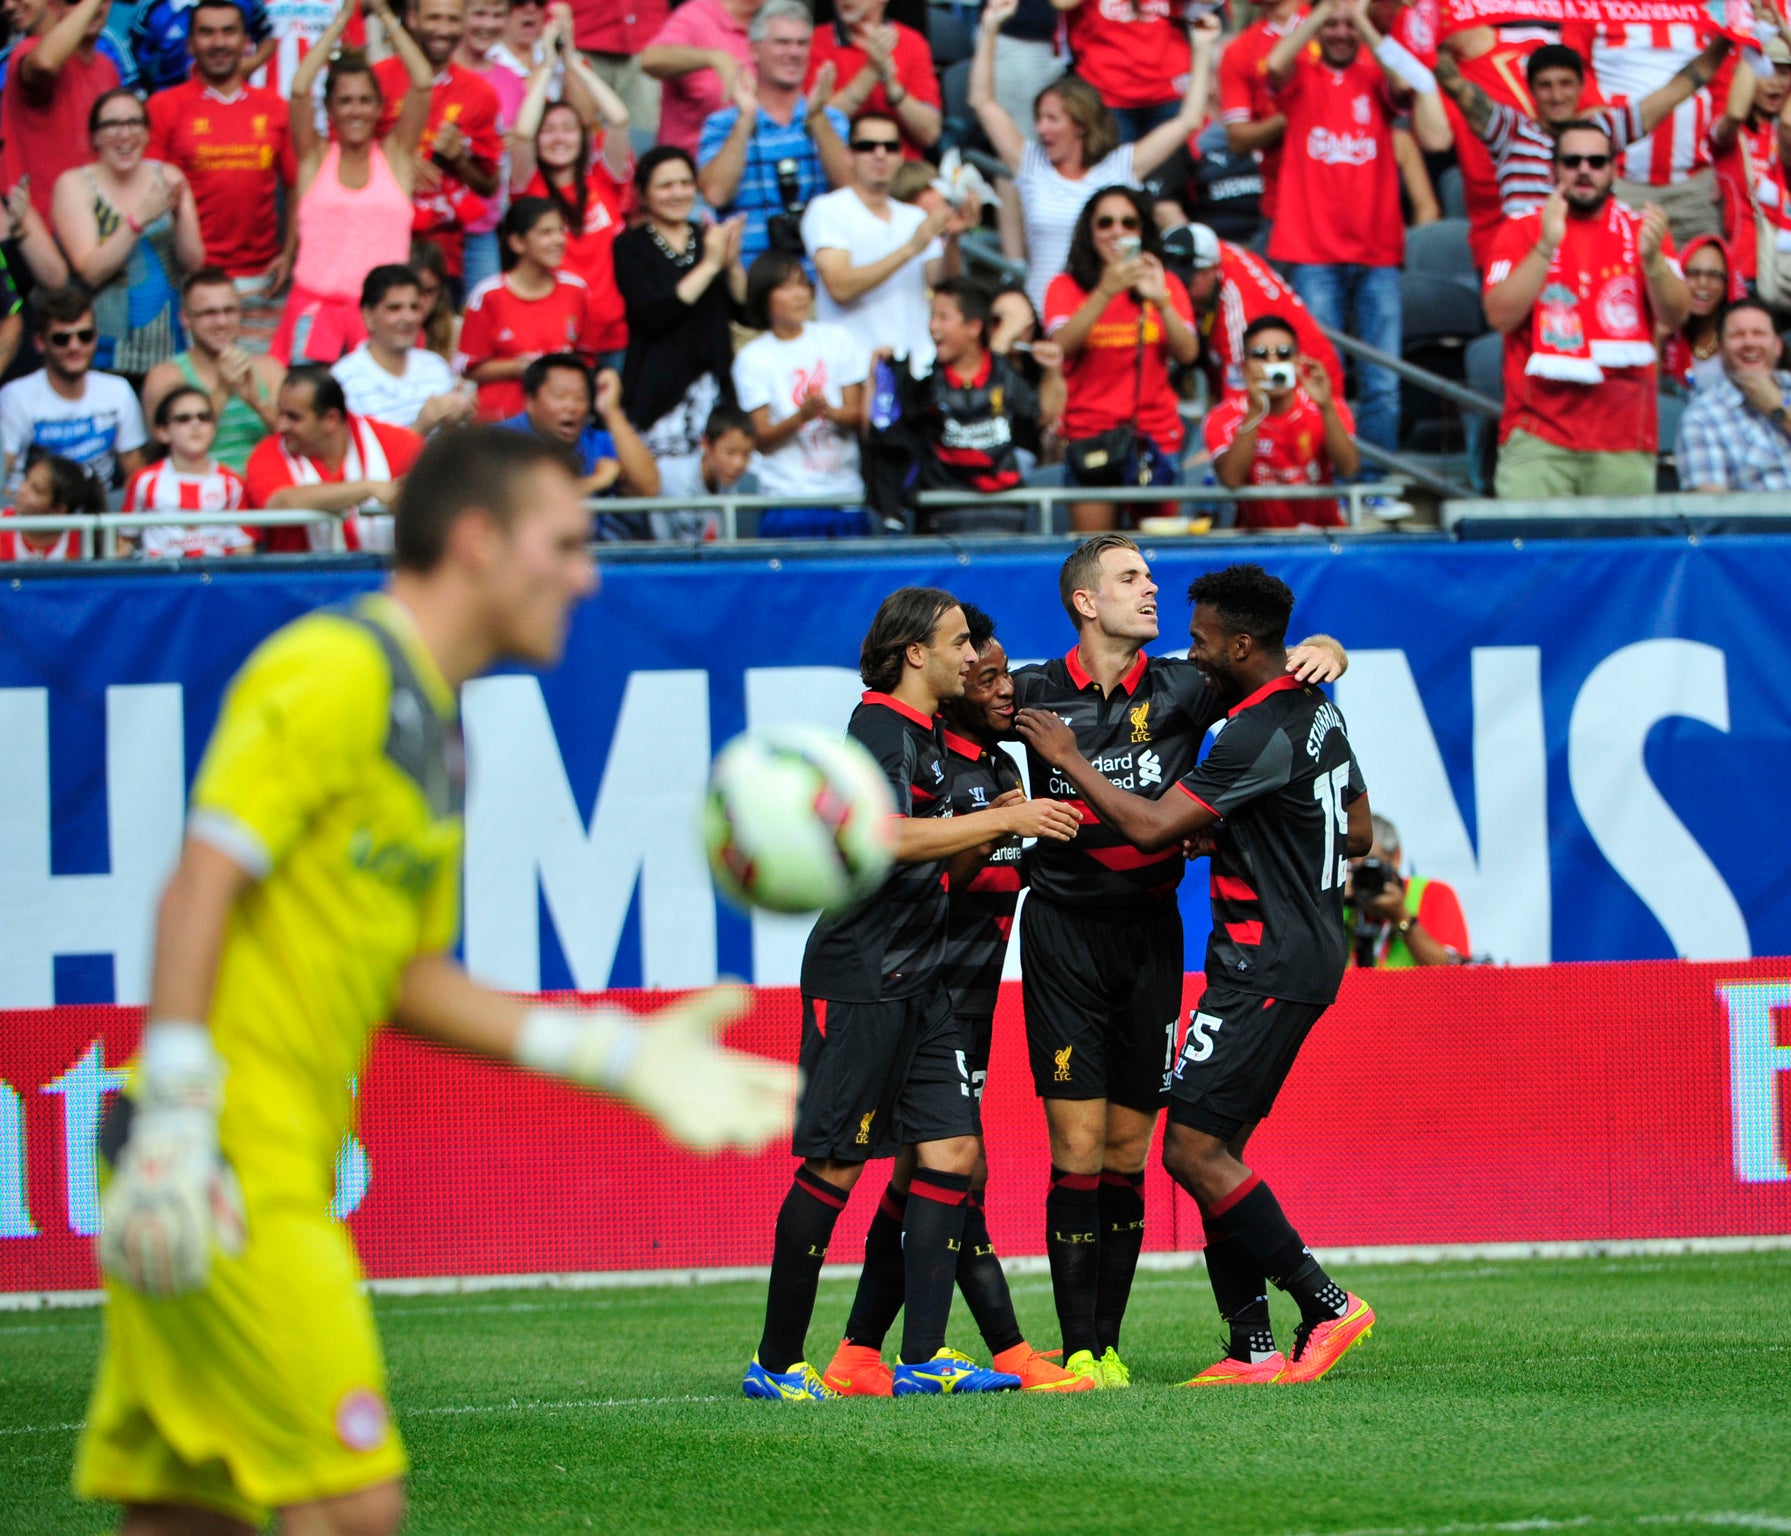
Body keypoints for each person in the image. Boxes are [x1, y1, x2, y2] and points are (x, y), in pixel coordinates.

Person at [74, 424, 795, 1534]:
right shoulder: (335, 670)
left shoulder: (435, 723)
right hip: (220, 1162)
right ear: (475, 541)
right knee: (355, 1505)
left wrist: (612, 1052)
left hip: (252, 1158)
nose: (587, 575)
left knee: (188, 1515)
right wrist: (174, 1106)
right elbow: (200, 879)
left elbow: (407, 976)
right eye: (563, 542)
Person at [1014, 562, 1375, 1390]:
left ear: (1240, 645)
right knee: (1217, 1147)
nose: (1191, 644)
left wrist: (1067, 757)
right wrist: (1242, 835)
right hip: (1281, 953)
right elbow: (1352, 831)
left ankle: (1324, 1303)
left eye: (1205, 636)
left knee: (1188, 1148)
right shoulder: (1308, 712)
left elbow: (1147, 829)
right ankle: (1249, 1347)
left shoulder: (1244, 726)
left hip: (1265, 960)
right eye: (1129, 578)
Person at [746, 586, 1083, 1402]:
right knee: (834, 1165)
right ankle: (776, 1361)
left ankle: (922, 1356)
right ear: (915, 654)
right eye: (961, 643)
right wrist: (1010, 821)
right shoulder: (875, 727)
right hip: (863, 973)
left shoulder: (928, 738)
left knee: (952, 1155)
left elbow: (941, 858)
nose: (976, 660)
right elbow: (883, 838)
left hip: (921, 974)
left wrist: (997, 820)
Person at [1264, 0, 1452, 465]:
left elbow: (1405, 81)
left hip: (1376, 254)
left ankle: (1373, 485)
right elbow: (1275, 64)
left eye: (1350, 26)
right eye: (1334, 26)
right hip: (1312, 253)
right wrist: (1322, 11)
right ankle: (1324, 477)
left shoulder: (1376, 77)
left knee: (1382, 383)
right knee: (1316, 374)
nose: (1342, 33)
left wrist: (1362, 20)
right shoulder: (1302, 79)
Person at [971, 0, 1218, 316]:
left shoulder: (1119, 168)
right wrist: (990, 30)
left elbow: (1188, 120)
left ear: (1081, 124)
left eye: (1052, 119)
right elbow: (983, 102)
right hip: (1045, 317)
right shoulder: (1031, 164)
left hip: (1110, 320)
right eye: (1039, 118)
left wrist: (1200, 47)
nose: (1041, 128)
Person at [1483, 122, 1688, 499]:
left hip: (1624, 440)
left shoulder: (1642, 230)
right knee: (1533, 558)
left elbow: (1675, 316)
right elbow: (1500, 316)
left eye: (1596, 162)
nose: (1584, 170)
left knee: (1621, 560)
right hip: (1537, 439)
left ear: (1613, 169)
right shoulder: (1522, 228)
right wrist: (1546, 246)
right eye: (1572, 161)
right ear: (1554, 169)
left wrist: (1653, 260)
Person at [272, 0, 433, 367]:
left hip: (386, 319)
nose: (355, 110)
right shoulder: (315, 157)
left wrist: (385, 14)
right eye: (344, 101)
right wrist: (343, 18)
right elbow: (299, 90)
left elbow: (422, 82)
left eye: (365, 101)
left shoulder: (396, 157)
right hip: (316, 314)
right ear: (329, 109)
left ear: (380, 108)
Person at [1434, 37, 1731, 232]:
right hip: (1524, 267)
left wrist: (1729, 37)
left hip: (1588, 268)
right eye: (1545, 85)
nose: (1556, 95)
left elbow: (1680, 87)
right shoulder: (1509, 131)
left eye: (1565, 83)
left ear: (1580, 87)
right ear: (1531, 89)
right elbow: (1454, 84)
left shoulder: (1602, 132)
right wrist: (1426, 21)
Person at [1044, 185, 1199, 532]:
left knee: (1154, 564)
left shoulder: (1166, 281)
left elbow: (1188, 352)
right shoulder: (1065, 286)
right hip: (1091, 436)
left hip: (1155, 438)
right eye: (1105, 223)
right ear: (1090, 231)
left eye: (1129, 223)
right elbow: (1061, 346)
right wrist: (1106, 290)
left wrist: (1160, 300)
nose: (1117, 231)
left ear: (1142, 230)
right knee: (1095, 564)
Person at [145, 0, 296, 318]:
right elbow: (152, 195)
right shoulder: (163, 106)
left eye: (228, 32)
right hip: (192, 279)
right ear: (190, 43)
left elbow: (296, 186)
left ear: (246, 42)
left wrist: (290, 253)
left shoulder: (275, 106)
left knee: (259, 369)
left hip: (262, 279)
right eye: (207, 33)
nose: (218, 42)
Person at [887, 277, 1065, 534]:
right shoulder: (925, 382)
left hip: (1006, 515)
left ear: (973, 327)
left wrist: (1053, 372)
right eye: (932, 316)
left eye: (943, 317)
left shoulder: (1003, 374)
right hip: (942, 518)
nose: (932, 326)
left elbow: (1043, 416)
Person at [52, 87, 208, 378]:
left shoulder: (169, 176)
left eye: (134, 123)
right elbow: (91, 271)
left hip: (166, 350)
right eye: (112, 125)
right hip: (101, 352)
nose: (124, 134)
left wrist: (181, 213)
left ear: (148, 133)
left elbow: (193, 263)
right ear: (95, 137)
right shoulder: (75, 184)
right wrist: (141, 218)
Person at [509, 11, 632, 368]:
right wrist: (547, 65)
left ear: (583, 137)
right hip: (555, 333)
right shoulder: (527, 186)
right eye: (549, 130)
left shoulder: (602, 178)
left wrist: (572, 60)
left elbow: (619, 117)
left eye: (568, 129)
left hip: (611, 331)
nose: (559, 138)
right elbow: (521, 133)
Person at [800, 110, 966, 370]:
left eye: (890, 147)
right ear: (848, 155)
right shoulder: (828, 209)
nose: (880, 154)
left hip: (917, 366)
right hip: (854, 371)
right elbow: (839, 287)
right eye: (867, 146)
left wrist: (954, 239)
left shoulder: (913, 217)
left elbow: (942, 281)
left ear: (901, 157)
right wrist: (911, 248)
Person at [695, 0, 852, 268]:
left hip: (821, 279)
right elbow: (716, 194)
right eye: (782, 42)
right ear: (754, 50)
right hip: (749, 283)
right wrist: (745, 120)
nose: (794, 52)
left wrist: (817, 118)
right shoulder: (722, 124)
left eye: (802, 43)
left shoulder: (830, 120)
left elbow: (850, 188)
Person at [613, 147, 747, 459]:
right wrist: (711, 265)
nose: (678, 193)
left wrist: (733, 262)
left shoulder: (708, 238)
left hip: (714, 390)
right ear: (644, 194)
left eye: (686, 183)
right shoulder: (630, 246)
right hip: (659, 394)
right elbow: (653, 315)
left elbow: (745, 311)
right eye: (665, 185)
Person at [731, 250, 871, 538]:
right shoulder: (753, 358)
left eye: (802, 284)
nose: (799, 295)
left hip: (845, 494)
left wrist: (827, 411)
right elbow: (761, 439)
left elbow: (860, 417)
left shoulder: (836, 340)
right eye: (785, 286)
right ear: (764, 295)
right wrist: (801, 417)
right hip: (786, 498)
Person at [373, 0, 503, 290]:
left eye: (452, 20)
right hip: (377, 246)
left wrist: (460, 159)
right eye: (434, 18)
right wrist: (394, 160)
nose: (443, 30)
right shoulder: (376, 80)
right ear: (412, 17)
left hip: (445, 257)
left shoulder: (481, 94)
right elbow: (338, 160)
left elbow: (489, 185)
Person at [243, 364, 424, 551]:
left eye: (293, 417)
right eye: (280, 413)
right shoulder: (266, 453)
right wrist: (370, 488)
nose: (280, 426)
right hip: (301, 578)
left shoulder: (401, 444)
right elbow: (283, 503)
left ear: (331, 419)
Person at [1205, 313, 1359, 530]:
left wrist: (1326, 407)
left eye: (1283, 353)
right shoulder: (1223, 416)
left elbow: (1349, 468)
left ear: (1298, 361)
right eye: (1260, 355)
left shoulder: (1327, 407)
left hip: (1322, 539)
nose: (1273, 362)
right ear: (1244, 366)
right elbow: (1231, 479)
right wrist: (1256, 411)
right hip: (1259, 543)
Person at [459, 196, 606, 419]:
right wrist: (520, 367)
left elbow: (585, 359)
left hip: (560, 423)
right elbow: (468, 368)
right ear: (517, 242)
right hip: (501, 424)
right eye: (546, 232)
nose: (559, 240)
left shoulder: (576, 290)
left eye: (560, 230)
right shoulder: (488, 295)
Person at [0, 285, 149, 494]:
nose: (74, 346)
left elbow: (136, 476)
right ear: (40, 342)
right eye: (62, 338)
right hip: (32, 514)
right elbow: (2, 480)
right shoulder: (15, 396)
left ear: (96, 338)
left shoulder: (118, 391)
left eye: (84, 336)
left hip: (97, 514)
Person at [141, 269, 286, 475]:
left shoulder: (270, 370)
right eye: (209, 313)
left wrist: (256, 402)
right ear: (185, 318)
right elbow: (165, 453)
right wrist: (223, 390)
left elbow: (299, 443)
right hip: (199, 495)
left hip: (264, 493)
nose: (221, 322)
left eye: (229, 311)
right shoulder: (166, 376)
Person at [498, 352, 661, 523]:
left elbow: (649, 488)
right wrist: (596, 481)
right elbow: (523, 505)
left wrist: (611, 412)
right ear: (530, 401)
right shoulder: (500, 440)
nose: (571, 406)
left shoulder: (594, 439)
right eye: (560, 395)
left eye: (580, 397)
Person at [0, 0, 121, 223]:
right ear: (53, 6)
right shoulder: (26, 52)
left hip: (99, 226)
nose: (92, 8)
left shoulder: (107, 67)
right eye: (75, 1)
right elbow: (44, 63)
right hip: (42, 229)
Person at [332, 263, 477, 432]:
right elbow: (361, 457)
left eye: (414, 307)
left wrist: (459, 418)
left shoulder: (435, 367)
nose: (408, 318)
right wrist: (421, 425)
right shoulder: (344, 381)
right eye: (395, 308)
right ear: (368, 316)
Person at [120, 383, 256, 558]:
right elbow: (124, 542)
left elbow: (244, 548)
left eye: (204, 417)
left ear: (214, 428)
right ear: (162, 431)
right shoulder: (144, 481)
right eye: (183, 419)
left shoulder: (232, 482)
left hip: (216, 580)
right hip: (161, 581)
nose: (195, 425)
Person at [1676, 296, 1791, 492]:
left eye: (1759, 333)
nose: (1749, 343)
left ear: (1778, 346)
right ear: (1720, 349)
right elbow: (1711, 510)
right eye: (1737, 335)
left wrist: (1778, 409)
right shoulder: (1702, 417)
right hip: (1761, 521)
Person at [805, 0, 942, 159]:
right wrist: (871, 71)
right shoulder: (813, 42)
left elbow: (930, 134)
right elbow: (812, 127)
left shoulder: (913, 43)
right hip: (837, 169)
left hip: (904, 172)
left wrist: (891, 84)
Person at [455, 0, 526, 295]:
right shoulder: (438, 71)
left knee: (481, 319)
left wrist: (514, 142)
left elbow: (521, 156)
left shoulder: (511, 80)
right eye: (480, 13)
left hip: (485, 224)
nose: (488, 24)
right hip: (436, 222)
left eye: (498, 15)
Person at [1709, 34, 1791, 288]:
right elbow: (1735, 112)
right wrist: (1753, 37)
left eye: (1784, 72)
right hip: (1744, 273)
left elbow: (1787, 125)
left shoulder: (1786, 131)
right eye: (1765, 71)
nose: (1774, 83)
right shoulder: (1732, 134)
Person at [1220, 0, 1306, 240]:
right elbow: (1237, 138)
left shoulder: (1333, 25)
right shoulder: (1240, 49)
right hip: (1281, 202)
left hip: (1346, 195)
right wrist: (1296, 114)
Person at [1345, 812, 1470, 968]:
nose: (1360, 875)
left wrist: (1401, 917)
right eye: (1350, 863)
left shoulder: (1434, 895)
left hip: (1414, 992)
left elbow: (1456, 977)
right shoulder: (1334, 902)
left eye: (1369, 866)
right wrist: (1331, 903)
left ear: (1395, 857)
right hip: (1350, 992)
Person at [640, 0, 760, 158]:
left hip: (761, 164)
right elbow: (651, 59)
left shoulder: (780, 22)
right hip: (691, 168)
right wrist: (714, 58)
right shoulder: (698, 16)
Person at [130, 0, 275, 95]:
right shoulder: (153, 7)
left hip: (232, 98)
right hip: (173, 103)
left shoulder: (246, 2)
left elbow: (268, 38)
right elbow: (134, 59)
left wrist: (249, 65)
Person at [1660, 235, 1742, 394]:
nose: (1703, 283)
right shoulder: (1663, 330)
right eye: (1693, 273)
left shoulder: (1743, 337)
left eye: (1714, 275)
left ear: (1729, 283)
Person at [0, 447, 96, 560]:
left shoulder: (84, 538)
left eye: (36, 490)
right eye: (26, 479)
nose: (22, 490)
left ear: (59, 509)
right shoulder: (2, 523)